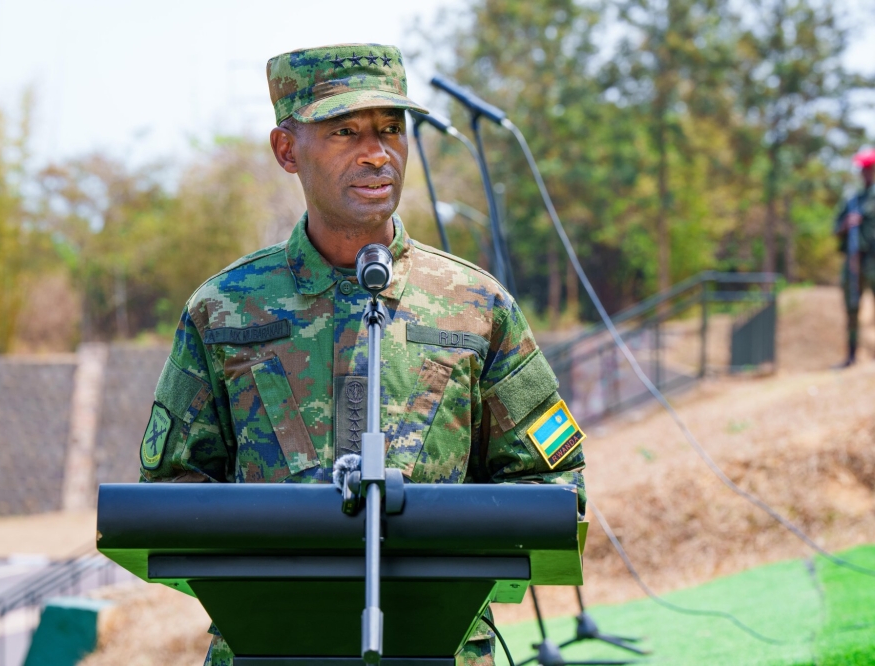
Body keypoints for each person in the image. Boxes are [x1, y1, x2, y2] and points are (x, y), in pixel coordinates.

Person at [140, 43, 586, 666]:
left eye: (390, 130)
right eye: (345, 131)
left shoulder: (476, 305)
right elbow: (166, 494)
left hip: (441, 647)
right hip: (271, 646)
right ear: (287, 150)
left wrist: (440, 545)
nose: (376, 152)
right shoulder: (224, 309)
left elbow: (554, 484)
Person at [834, 148, 875, 367]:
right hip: (854, 263)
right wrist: (846, 224)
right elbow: (835, 229)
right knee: (852, 309)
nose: (867, 173)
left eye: (870, 169)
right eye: (864, 170)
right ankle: (851, 355)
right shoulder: (852, 201)